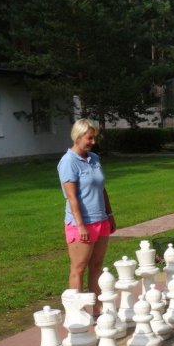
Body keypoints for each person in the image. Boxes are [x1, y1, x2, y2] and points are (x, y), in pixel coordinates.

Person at [57, 119, 115, 315]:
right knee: (79, 268)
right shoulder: (68, 162)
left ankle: (98, 309)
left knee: (97, 266)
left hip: (101, 220)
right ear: (78, 136)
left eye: (94, 138)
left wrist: (110, 214)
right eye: (89, 138)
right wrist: (80, 225)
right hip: (81, 224)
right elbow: (72, 197)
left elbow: (102, 189)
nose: (92, 142)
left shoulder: (94, 158)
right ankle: (77, 313)